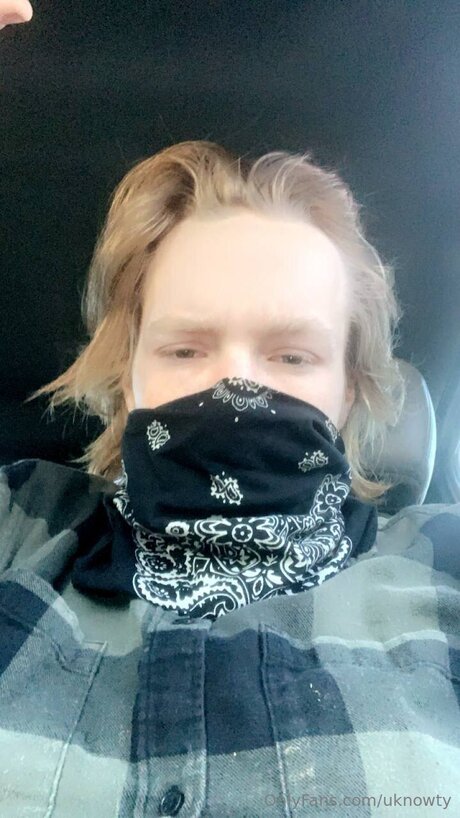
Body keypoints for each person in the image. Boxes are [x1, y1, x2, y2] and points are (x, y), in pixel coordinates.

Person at [1, 4, 459, 816]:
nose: (234, 387)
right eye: (185, 350)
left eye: (292, 357)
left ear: (350, 388)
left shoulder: (442, 566)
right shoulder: (19, 526)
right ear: (128, 375)